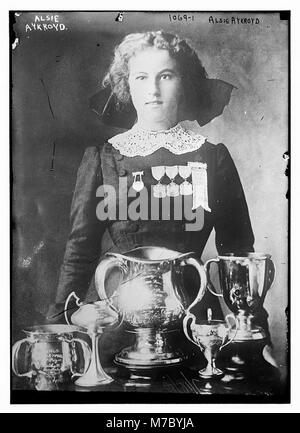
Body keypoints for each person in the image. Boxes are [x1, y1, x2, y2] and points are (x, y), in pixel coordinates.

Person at [47, 31, 269, 360]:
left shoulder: (213, 157)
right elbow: (79, 251)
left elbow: (238, 255)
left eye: (165, 76)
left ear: (185, 83)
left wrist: (259, 336)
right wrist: (59, 322)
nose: (152, 90)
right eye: (141, 77)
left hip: (197, 328)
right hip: (117, 326)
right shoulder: (103, 157)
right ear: (127, 85)